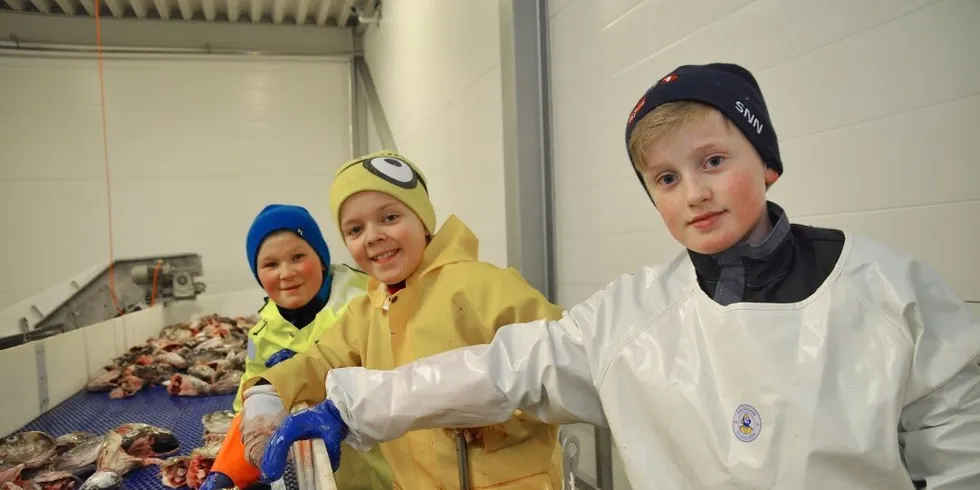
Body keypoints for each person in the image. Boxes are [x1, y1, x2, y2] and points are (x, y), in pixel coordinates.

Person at [253, 64, 980, 489]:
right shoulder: (634, 316)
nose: (693, 191)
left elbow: (960, 450)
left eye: (714, 161)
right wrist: (354, 405)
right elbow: (507, 366)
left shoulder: (890, 293)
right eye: (665, 177)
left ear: (768, 161)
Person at [238, 150, 567, 489]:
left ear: (423, 220)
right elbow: (322, 358)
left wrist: (497, 419)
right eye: (354, 229)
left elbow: (558, 363)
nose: (373, 236)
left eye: (390, 217)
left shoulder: (485, 287)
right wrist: (268, 390)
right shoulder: (368, 312)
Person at [199, 204, 393, 490]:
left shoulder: (370, 299)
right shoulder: (263, 333)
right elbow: (252, 406)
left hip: (393, 463)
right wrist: (227, 470)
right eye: (270, 264)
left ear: (322, 259)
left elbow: (396, 373)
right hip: (328, 473)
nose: (286, 273)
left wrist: (307, 375)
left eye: (298, 257)